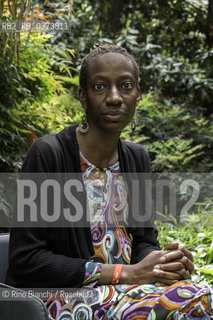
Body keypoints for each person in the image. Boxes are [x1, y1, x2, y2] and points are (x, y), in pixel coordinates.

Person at [6, 45, 213, 319]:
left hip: (129, 291)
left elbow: (142, 243)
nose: (115, 97)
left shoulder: (137, 158)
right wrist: (124, 273)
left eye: (126, 85)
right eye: (100, 86)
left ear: (137, 95)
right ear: (83, 96)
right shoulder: (49, 155)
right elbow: (26, 260)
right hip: (61, 296)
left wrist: (162, 263)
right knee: (191, 302)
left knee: (198, 295)